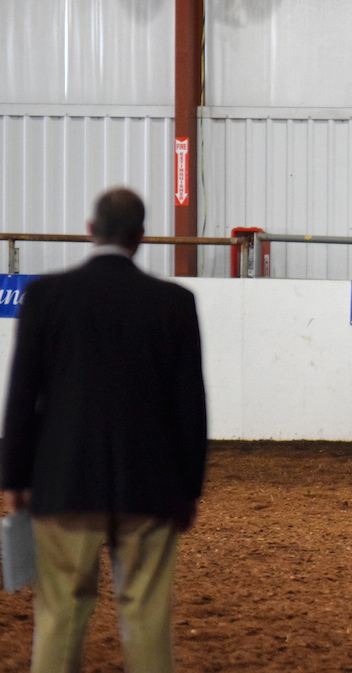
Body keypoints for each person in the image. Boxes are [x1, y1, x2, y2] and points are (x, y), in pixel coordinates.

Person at [0, 187, 208, 673]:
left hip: (63, 481)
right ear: (142, 237)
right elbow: (190, 406)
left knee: (60, 612)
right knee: (147, 614)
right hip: (151, 487)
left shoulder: (45, 296)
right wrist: (190, 488)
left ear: (91, 231)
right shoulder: (175, 302)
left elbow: (21, 395)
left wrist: (13, 478)